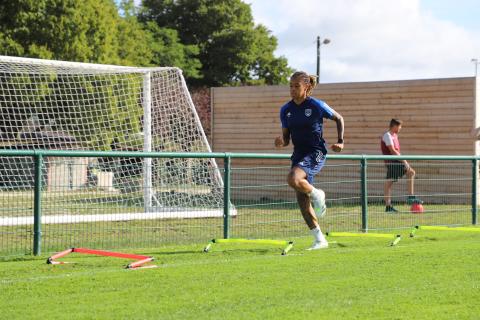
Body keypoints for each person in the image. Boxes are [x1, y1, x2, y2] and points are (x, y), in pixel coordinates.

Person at [275, 71, 344, 250]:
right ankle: (320, 240)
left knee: (293, 179)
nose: (292, 89)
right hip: (299, 155)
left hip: (315, 152)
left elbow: (339, 118)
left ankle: (318, 194)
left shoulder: (316, 105)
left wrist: (340, 141)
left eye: (296, 86)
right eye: (290, 86)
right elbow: (286, 139)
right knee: (303, 202)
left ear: (307, 87)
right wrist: (281, 142)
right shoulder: (286, 110)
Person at [381, 118, 423, 213]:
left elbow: (397, 151)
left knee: (389, 183)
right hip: (393, 162)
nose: (400, 128)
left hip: (395, 162)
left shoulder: (394, 136)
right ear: (394, 126)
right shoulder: (387, 136)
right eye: (400, 126)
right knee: (409, 173)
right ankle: (410, 197)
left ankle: (389, 206)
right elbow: (393, 151)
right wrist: (404, 161)